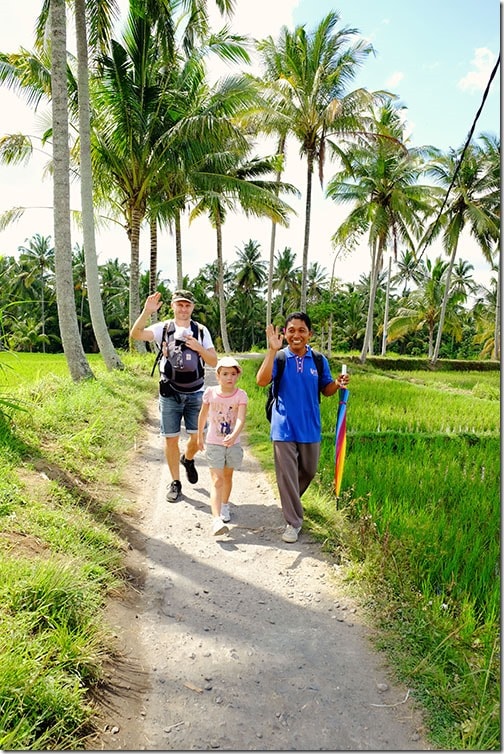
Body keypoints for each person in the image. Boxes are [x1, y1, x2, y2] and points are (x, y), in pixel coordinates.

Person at [256, 312, 350, 543]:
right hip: (283, 426)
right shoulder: (279, 357)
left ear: (310, 334)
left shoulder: (318, 360)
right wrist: (271, 350)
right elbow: (261, 380)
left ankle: (289, 501)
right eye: (291, 330)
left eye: (301, 330)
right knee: (287, 474)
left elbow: (325, 389)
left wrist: (337, 384)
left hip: (310, 426)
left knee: (308, 470)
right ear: (284, 334)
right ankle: (293, 522)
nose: (296, 335)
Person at [130, 290, 217, 502]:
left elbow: (214, 361)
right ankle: (176, 482)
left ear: (192, 307)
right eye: (180, 304)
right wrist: (147, 311)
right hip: (170, 392)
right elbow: (136, 334)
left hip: (196, 393)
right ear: (173, 306)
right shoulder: (164, 328)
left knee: (198, 439)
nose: (183, 308)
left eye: (187, 305)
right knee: (171, 439)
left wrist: (198, 347)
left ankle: (187, 459)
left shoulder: (201, 331)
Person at [197, 356, 248, 536]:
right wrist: (199, 436)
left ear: (237, 376)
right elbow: (203, 415)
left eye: (233, 374)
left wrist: (234, 435)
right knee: (217, 480)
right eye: (225, 374)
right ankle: (216, 519)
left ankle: (225, 505)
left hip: (232, 444)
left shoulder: (241, 395)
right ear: (218, 376)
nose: (229, 378)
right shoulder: (210, 393)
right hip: (213, 443)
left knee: (227, 476)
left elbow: (241, 418)